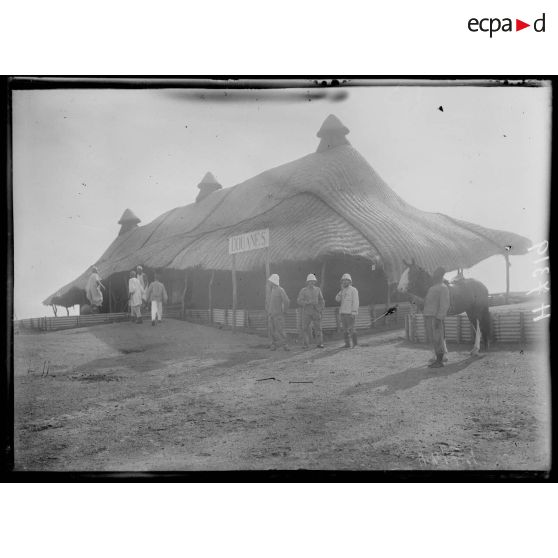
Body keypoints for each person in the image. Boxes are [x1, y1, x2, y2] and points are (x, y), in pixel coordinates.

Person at [423, 266, 450, 368]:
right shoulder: (432, 288)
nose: (435, 277)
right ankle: (437, 360)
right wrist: (414, 299)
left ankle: (440, 361)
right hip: (428, 316)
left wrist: (439, 318)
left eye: (437, 276)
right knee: (433, 338)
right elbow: (426, 302)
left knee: (438, 338)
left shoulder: (443, 288)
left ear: (441, 276)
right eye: (435, 275)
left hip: (436, 318)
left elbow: (444, 305)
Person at [297, 273, 325, 349]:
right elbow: (299, 301)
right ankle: (306, 344)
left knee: (318, 328)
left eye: (313, 281)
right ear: (307, 282)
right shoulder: (303, 290)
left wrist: (320, 309)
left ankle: (320, 343)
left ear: (315, 282)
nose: (311, 283)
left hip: (316, 311)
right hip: (306, 312)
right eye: (310, 281)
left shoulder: (318, 290)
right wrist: (306, 302)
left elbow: (321, 300)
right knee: (305, 328)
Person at [265, 274, 290, 351]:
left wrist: (284, 311)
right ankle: (273, 345)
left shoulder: (280, 290)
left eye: (271, 281)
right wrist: (268, 311)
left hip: (278, 315)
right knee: (271, 331)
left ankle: (285, 345)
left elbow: (286, 301)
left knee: (281, 330)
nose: (269, 283)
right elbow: (268, 302)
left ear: (274, 282)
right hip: (271, 314)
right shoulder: (270, 290)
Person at [335, 273, 359, 348]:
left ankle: (355, 344)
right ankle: (347, 344)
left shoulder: (353, 290)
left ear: (350, 281)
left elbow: (356, 302)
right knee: (345, 330)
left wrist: (354, 312)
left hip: (350, 313)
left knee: (352, 329)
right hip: (343, 313)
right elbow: (337, 299)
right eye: (343, 281)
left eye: (346, 280)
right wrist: (341, 291)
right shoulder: (342, 290)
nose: (345, 282)